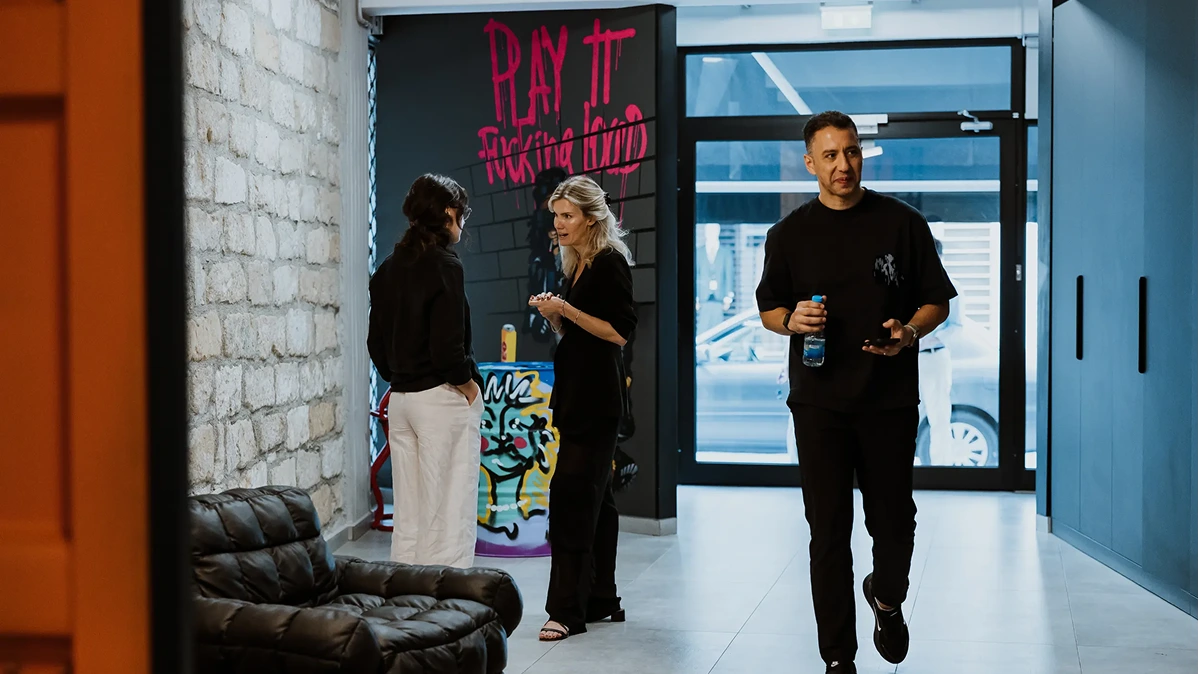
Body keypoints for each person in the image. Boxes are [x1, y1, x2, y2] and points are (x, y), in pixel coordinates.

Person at [755, 111, 957, 674]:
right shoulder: (788, 234)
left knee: (894, 523)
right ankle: (838, 660)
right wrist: (790, 321)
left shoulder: (903, 223)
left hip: (889, 400)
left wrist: (909, 330)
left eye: (851, 152)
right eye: (830, 155)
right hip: (818, 403)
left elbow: (937, 301)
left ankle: (887, 598)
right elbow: (769, 309)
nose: (843, 165)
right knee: (828, 533)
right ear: (810, 163)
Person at [527, 175, 636, 642]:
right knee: (599, 500)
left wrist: (566, 311)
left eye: (567, 215)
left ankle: (566, 610)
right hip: (576, 395)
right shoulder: (576, 265)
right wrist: (556, 318)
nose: (559, 224)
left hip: (596, 400)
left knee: (571, 497)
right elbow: (579, 339)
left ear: (592, 217)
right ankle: (603, 598)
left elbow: (617, 332)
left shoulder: (610, 263)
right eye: (556, 215)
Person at [367, 173, 484, 569]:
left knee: (411, 513)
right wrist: (469, 386)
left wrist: (400, 375)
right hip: (440, 398)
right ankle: (448, 609)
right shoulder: (445, 265)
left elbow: (375, 344)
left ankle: (407, 601)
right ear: (450, 213)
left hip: (400, 400)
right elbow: (449, 349)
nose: (462, 223)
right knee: (449, 510)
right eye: (461, 214)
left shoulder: (387, 268)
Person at [918, 237, 954, 466]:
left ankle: (942, 466)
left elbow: (956, 327)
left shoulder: (951, 286)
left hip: (934, 354)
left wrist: (931, 334)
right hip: (907, 356)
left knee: (939, 415)